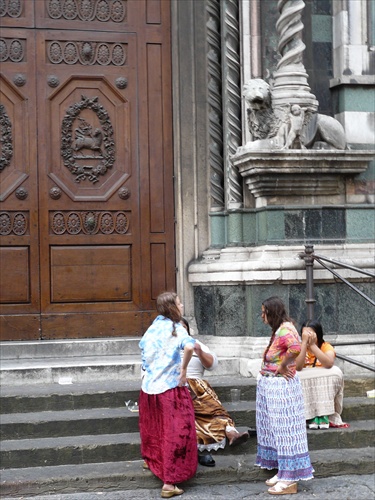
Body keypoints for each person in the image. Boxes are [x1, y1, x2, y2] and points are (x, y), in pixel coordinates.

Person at [139, 292, 197, 498]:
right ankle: (169, 483)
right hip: (170, 389)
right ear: (173, 307)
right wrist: (183, 370)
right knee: (176, 432)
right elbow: (190, 346)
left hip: (148, 388)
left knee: (153, 429)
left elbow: (143, 353)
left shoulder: (152, 327)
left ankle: (151, 461)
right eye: (180, 303)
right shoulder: (177, 328)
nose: (182, 306)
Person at [256, 296, 314, 495]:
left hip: (283, 388)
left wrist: (281, 365)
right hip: (272, 386)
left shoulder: (286, 329)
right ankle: (283, 472)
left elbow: (296, 349)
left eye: (265, 312)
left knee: (285, 432)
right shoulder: (280, 329)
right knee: (276, 432)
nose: (262, 316)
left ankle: (289, 479)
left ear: (273, 312)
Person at [180, 317, 252, 467]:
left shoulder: (197, 345)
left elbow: (212, 365)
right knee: (189, 417)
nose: (180, 330)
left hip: (198, 386)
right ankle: (198, 449)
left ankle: (232, 433)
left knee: (216, 410)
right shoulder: (165, 346)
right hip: (176, 385)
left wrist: (199, 351)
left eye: (183, 327)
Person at [295, 320, 348, 429]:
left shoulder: (325, 346)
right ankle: (308, 414)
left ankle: (324, 413)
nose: (307, 336)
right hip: (307, 383)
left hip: (322, 383)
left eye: (310, 334)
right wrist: (304, 344)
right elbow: (298, 367)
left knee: (335, 372)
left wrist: (313, 345)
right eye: (305, 334)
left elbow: (329, 364)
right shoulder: (299, 347)